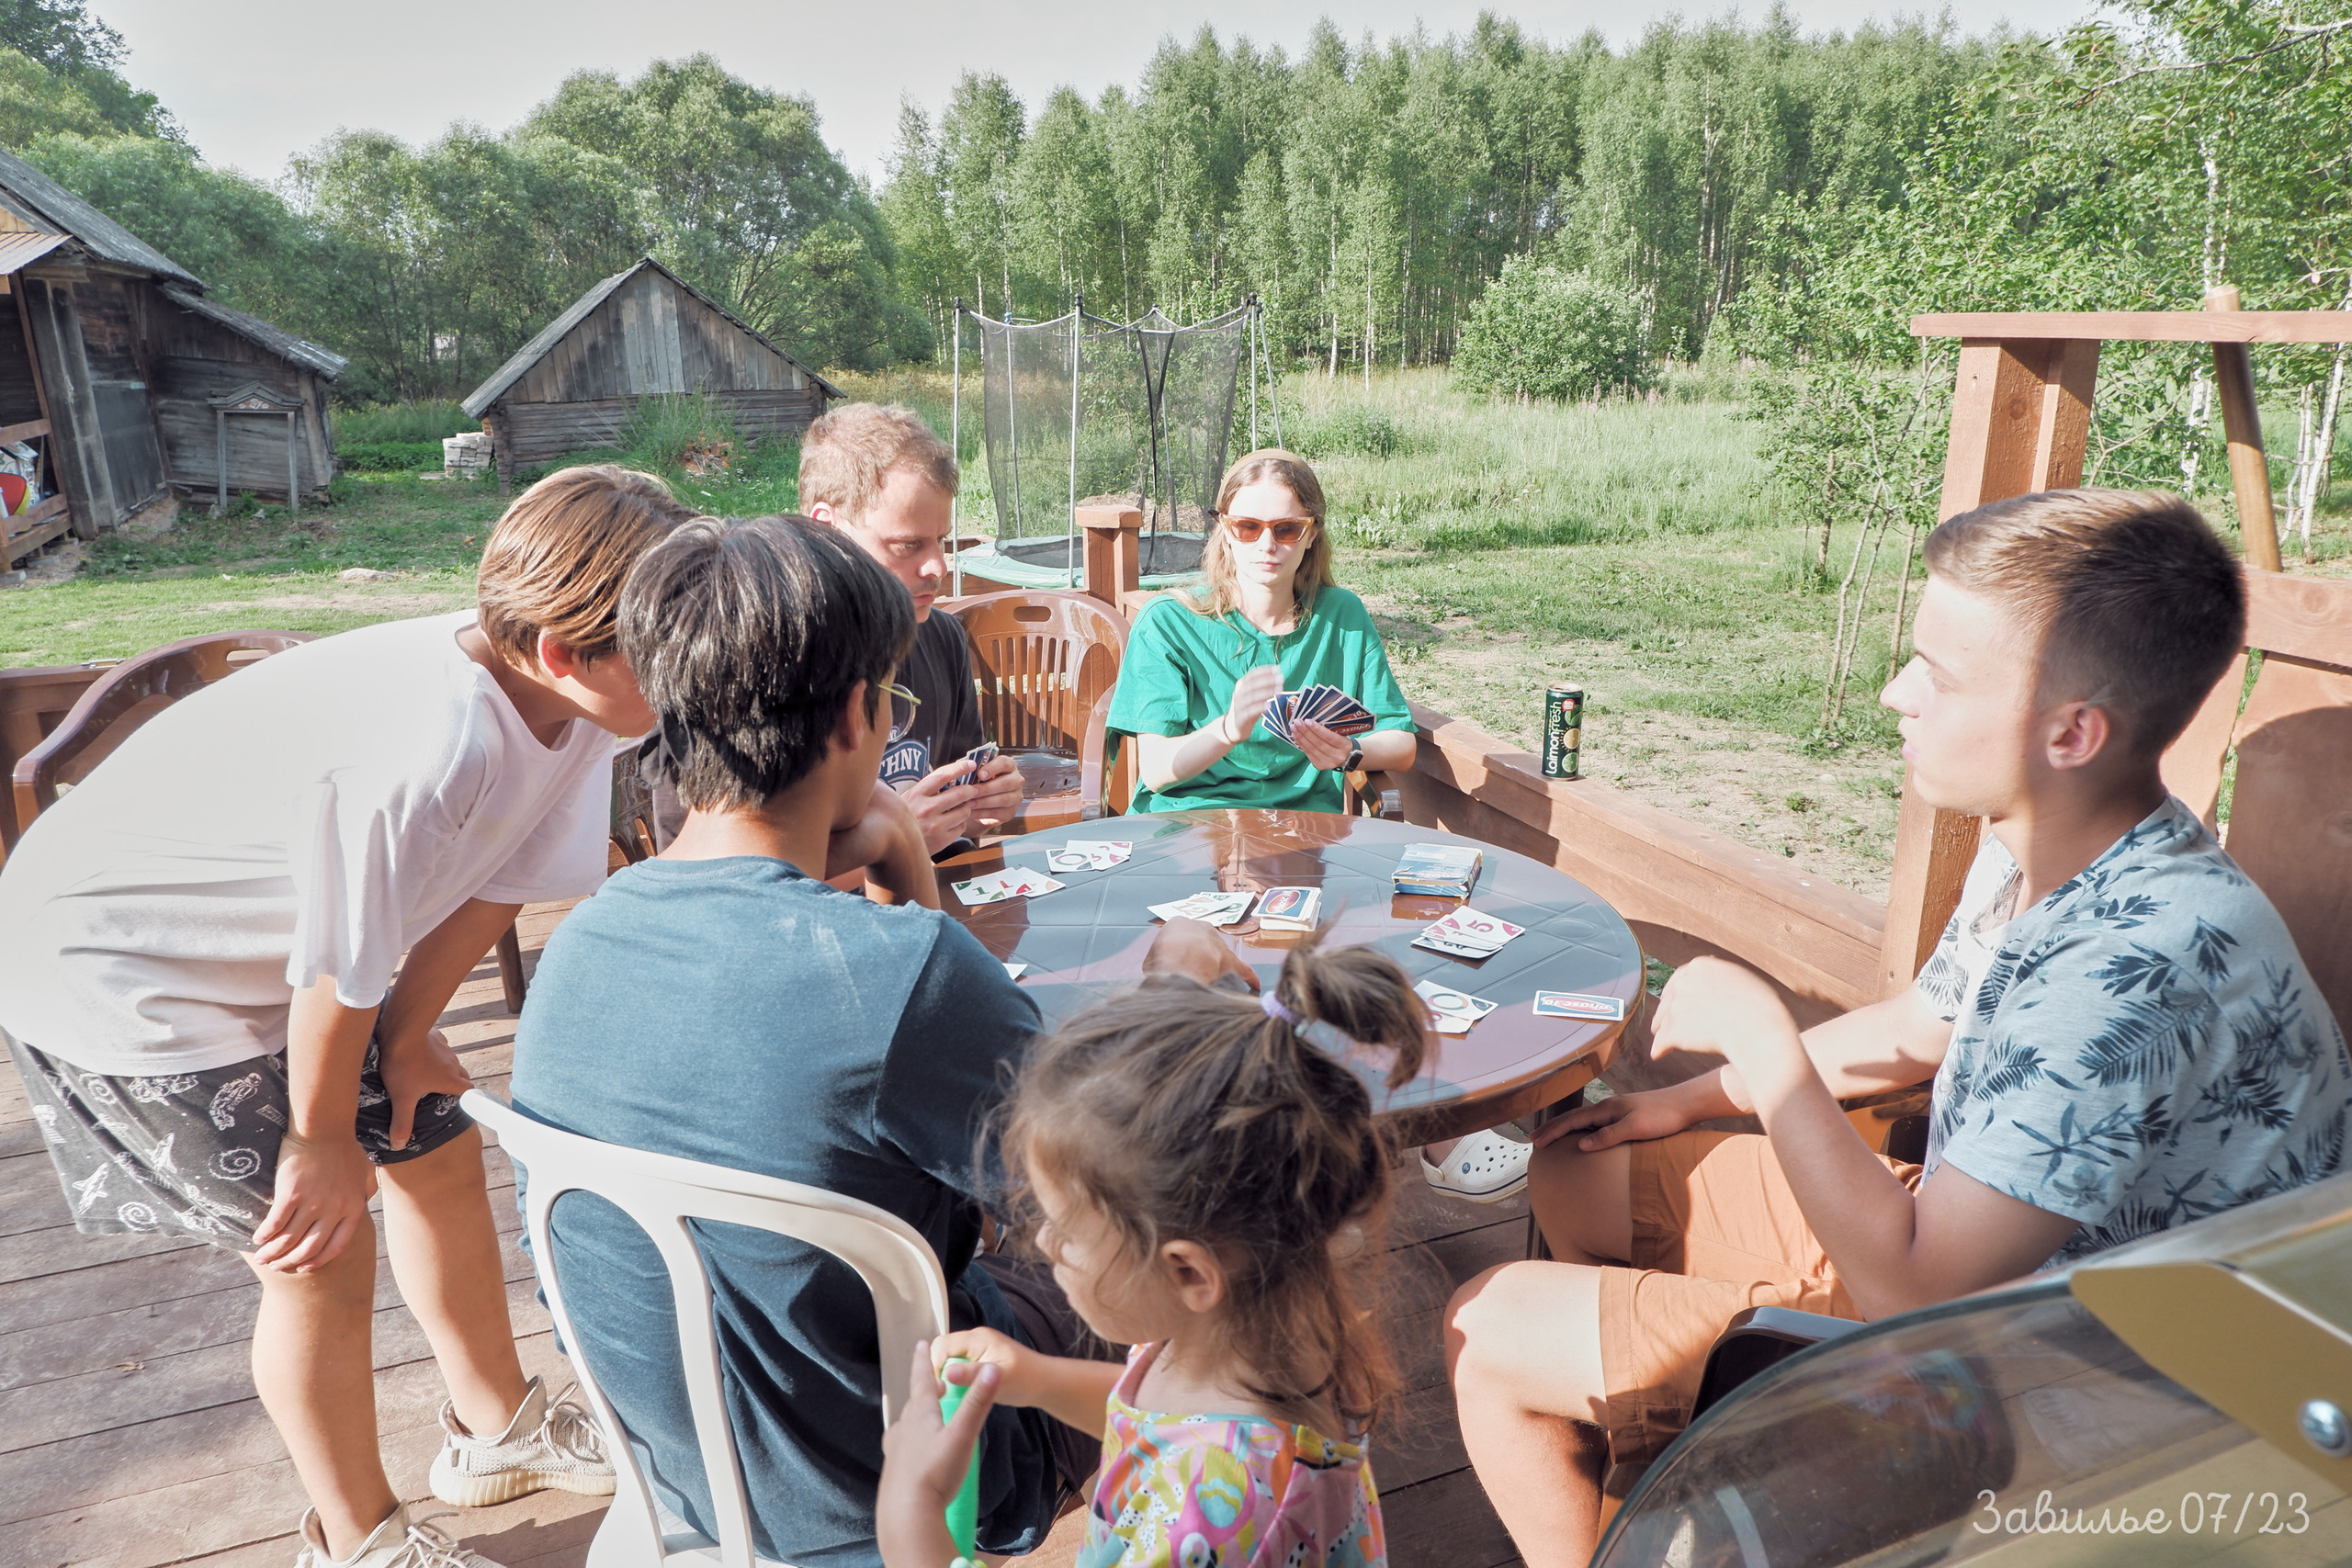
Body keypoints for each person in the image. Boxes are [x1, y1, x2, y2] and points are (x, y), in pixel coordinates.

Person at [1444, 489, 2352, 1567]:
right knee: (1579, 1166)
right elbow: (1926, 1025)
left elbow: (1909, 1290)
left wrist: (1763, 1045)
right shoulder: (2045, 838)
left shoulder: (2132, 970)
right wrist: (1686, 1100)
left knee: (1487, 1327)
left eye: (1937, 673)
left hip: (2082, 1393)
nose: (1894, 695)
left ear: (2071, 732)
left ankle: (1726, 1481)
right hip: (1988, 1252)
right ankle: (1678, 1468)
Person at [507, 514, 1258, 1567]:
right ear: (862, 713)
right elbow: (1114, 1180)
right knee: (1199, 1236)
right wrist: (1185, 997)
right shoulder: (898, 973)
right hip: (906, 1476)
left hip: (683, 1466)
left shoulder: (579, 945)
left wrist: (902, 858)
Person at [0, 465, 697, 1568]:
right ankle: (357, 1537)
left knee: (434, 1146)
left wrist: (409, 1040)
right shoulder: (426, 742)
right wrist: (320, 1139)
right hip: (120, 964)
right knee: (316, 1251)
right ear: (565, 651)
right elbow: (338, 962)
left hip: (289, 951)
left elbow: (505, 881)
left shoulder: (575, 706)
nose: (700, 670)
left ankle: (496, 1432)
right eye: (675, 650)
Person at [876, 935, 1429, 1568]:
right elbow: (1158, 1418)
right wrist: (1037, 1378)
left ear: (1188, 1271)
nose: (1043, 1243)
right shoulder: (1248, 1342)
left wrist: (910, 1514)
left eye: (1065, 1229)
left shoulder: (1214, 1516)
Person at [1106, 447, 1416, 816]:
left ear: (1312, 534)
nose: (1267, 545)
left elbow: (1401, 743)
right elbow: (1157, 771)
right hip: (1189, 822)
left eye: (1287, 529)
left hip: (1304, 828)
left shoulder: (1342, 615)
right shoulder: (1168, 621)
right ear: (1225, 529)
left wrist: (1350, 752)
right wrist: (1227, 730)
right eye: (1248, 527)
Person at [801, 401, 1023, 855]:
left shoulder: (942, 637)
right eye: (907, 545)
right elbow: (742, 872)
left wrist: (983, 801)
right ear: (828, 528)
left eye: (940, 540)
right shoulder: (770, 660)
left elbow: (957, 821)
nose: (938, 567)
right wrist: (894, 839)